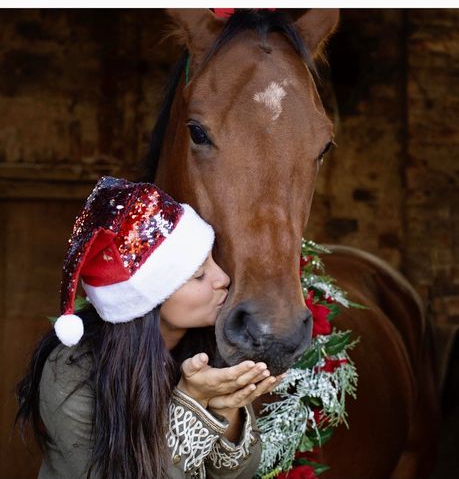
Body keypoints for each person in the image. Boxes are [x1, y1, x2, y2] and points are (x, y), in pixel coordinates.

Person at [16, 176, 282, 479]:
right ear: (149, 300)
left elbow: (241, 474)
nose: (222, 278)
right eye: (198, 274)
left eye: (212, 261)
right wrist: (192, 402)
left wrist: (227, 407)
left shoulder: (208, 347)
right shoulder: (71, 369)